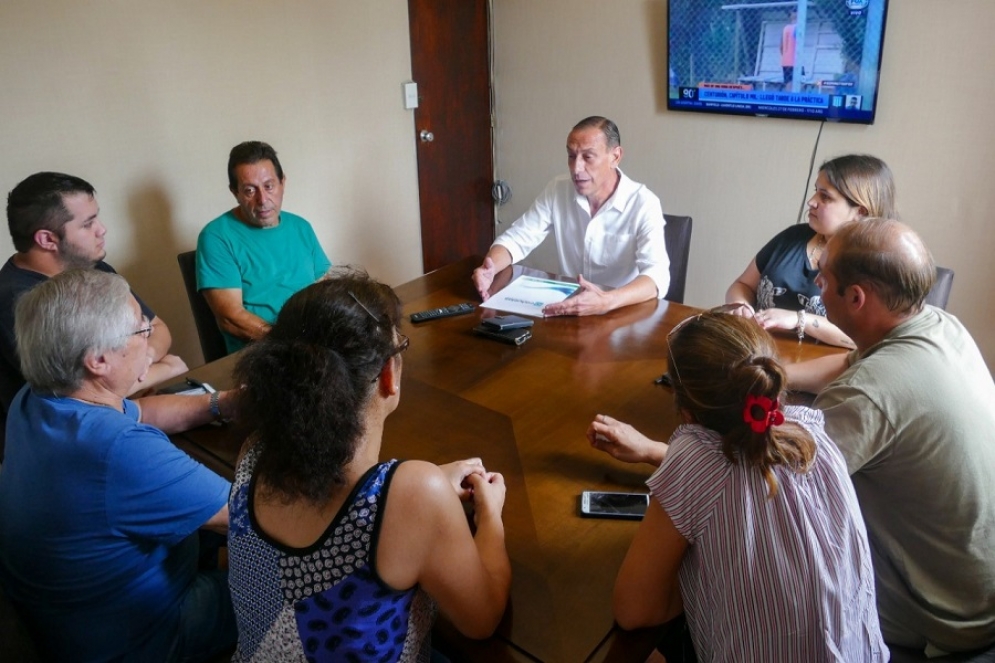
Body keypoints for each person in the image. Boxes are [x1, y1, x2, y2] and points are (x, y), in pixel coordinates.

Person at [227, 268, 511, 661]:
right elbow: (482, 620)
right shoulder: (413, 494)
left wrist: (423, 491)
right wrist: (491, 513)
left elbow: (345, 502)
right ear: (387, 376)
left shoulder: (255, 450)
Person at [600, 310, 886, 662]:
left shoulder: (695, 458)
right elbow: (748, 470)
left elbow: (633, 611)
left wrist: (704, 587)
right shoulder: (813, 435)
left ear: (686, 412)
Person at [0, 269, 237, 662]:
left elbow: (141, 410)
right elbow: (251, 515)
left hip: (69, 618)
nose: (150, 340)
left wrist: (222, 403)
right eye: (141, 331)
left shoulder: (38, 397)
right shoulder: (119, 449)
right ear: (98, 360)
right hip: (141, 637)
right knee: (292, 576)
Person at [788, 218, 995, 658]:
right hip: (979, 589)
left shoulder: (869, 395)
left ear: (856, 297)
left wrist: (660, 452)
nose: (817, 284)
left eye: (823, 276)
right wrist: (777, 373)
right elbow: (853, 365)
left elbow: (773, 479)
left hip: (942, 624)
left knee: (745, 549)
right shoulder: (940, 325)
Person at [0, 171, 187, 412]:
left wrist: (143, 361)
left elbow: (158, 330)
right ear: (47, 239)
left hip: (124, 409)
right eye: (88, 224)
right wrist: (164, 369)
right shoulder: (14, 301)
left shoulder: (92, 267)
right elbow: (77, 398)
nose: (102, 230)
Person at [472, 116, 670, 317]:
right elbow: (516, 239)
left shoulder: (643, 203)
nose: (576, 168)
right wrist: (491, 267)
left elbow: (657, 276)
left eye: (588, 157)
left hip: (621, 312)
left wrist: (607, 301)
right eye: (571, 156)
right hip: (570, 309)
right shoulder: (558, 189)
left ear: (615, 156)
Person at [725, 154, 896, 348]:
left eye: (825, 196)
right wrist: (740, 306)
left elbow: (868, 339)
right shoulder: (792, 237)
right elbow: (742, 285)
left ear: (860, 211)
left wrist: (800, 320)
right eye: (816, 191)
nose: (812, 202)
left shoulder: (876, 264)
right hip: (758, 353)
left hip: (822, 369)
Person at [196, 140, 331, 354]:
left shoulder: (301, 227)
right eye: (250, 190)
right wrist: (292, 343)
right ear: (235, 192)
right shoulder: (216, 237)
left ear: (282, 183)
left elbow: (325, 288)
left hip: (315, 345)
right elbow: (230, 318)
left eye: (269, 186)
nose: (262, 199)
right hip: (263, 353)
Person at [781, 11, 797, 87]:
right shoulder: (798, 28)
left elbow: (781, 46)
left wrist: (785, 55)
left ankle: (789, 97)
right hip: (795, 60)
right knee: (800, 81)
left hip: (786, 61)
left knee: (788, 82)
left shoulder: (785, 28)